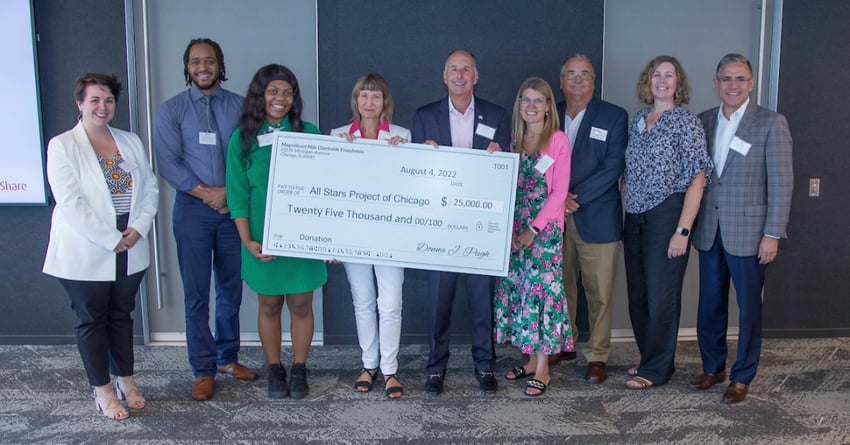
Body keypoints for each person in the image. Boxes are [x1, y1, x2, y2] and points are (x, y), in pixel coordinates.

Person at [43, 73, 159, 420]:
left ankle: (126, 380)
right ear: (80, 104)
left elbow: (150, 188)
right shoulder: (62, 145)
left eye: (108, 100)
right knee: (92, 320)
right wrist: (111, 239)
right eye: (94, 100)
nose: (102, 107)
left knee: (121, 316)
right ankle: (103, 390)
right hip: (87, 248)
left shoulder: (130, 141)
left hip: (131, 242)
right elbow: (70, 201)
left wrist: (137, 229)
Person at [154, 38, 256, 401]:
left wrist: (227, 194)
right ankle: (202, 368)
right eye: (196, 61)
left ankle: (227, 357)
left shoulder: (241, 107)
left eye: (209, 61)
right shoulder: (172, 110)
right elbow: (168, 162)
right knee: (197, 294)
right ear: (187, 68)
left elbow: (251, 154)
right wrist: (206, 193)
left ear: (220, 65)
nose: (203, 67)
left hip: (232, 209)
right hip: (193, 210)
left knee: (230, 289)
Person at [690, 54, 793, 404]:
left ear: (751, 83)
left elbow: (781, 183)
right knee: (710, 304)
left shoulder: (770, 123)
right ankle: (713, 366)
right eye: (726, 79)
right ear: (716, 83)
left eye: (740, 79)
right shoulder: (702, 121)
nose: (733, 85)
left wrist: (772, 234)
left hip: (750, 233)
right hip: (709, 228)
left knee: (749, 307)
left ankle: (742, 376)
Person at [412, 49, 511, 395]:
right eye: (453, 69)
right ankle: (436, 368)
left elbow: (507, 170)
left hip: (480, 226)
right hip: (439, 227)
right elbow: (412, 175)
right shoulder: (424, 117)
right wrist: (420, 154)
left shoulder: (497, 116)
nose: (459, 75)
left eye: (466, 69)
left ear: (476, 76)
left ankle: (485, 365)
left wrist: (503, 156)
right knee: (439, 302)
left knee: (483, 302)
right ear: (444, 76)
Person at [226, 64, 328, 400]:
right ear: (261, 95)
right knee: (269, 305)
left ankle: (299, 368)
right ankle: (275, 369)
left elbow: (328, 186)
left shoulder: (310, 133)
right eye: (273, 91)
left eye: (287, 92)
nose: (280, 98)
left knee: (301, 304)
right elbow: (238, 195)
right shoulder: (242, 138)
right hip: (260, 237)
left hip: (302, 236)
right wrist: (247, 240)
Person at [623, 55, 713, 390]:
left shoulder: (686, 122)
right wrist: (625, 218)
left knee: (662, 296)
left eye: (669, 75)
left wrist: (683, 230)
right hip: (635, 217)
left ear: (679, 83)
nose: (662, 80)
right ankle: (652, 357)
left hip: (667, 216)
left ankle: (658, 370)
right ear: (648, 81)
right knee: (639, 296)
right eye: (656, 74)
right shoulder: (638, 120)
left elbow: (698, 178)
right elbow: (628, 175)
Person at [330, 73, 410, 399]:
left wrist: (405, 154)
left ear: (385, 101)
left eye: (376, 96)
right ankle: (369, 364)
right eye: (364, 96)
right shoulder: (337, 137)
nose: (369, 102)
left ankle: (390, 369)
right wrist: (331, 240)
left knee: (390, 303)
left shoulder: (402, 136)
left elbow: (411, 185)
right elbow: (330, 192)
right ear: (356, 100)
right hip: (353, 232)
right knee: (362, 301)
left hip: (391, 233)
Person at [494, 77, 574, 397]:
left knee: (541, 297)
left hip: (543, 233)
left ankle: (543, 368)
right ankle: (528, 360)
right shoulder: (512, 140)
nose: (531, 106)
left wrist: (533, 230)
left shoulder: (557, 141)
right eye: (525, 100)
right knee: (520, 293)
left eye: (538, 100)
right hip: (514, 231)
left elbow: (559, 193)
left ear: (548, 106)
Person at [554, 54, 628, 383]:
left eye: (584, 74)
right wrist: (556, 199)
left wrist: (573, 199)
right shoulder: (546, 111)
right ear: (561, 81)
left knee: (599, 292)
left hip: (597, 218)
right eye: (571, 74)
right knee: (561, 286)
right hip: (553, 219)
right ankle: (563, 343)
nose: (578, 80)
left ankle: (598, 355)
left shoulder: (613, 116)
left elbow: (613, 167)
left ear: (593, 81)